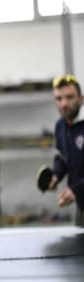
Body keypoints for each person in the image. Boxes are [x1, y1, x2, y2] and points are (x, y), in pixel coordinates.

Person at [45, 74, 84, 225]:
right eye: (59, 99)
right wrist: (56, 175)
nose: (64, 104)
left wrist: (77, 190)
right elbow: (62, 156)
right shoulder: (61, 126)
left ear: (81, 99)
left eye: (69, 97)